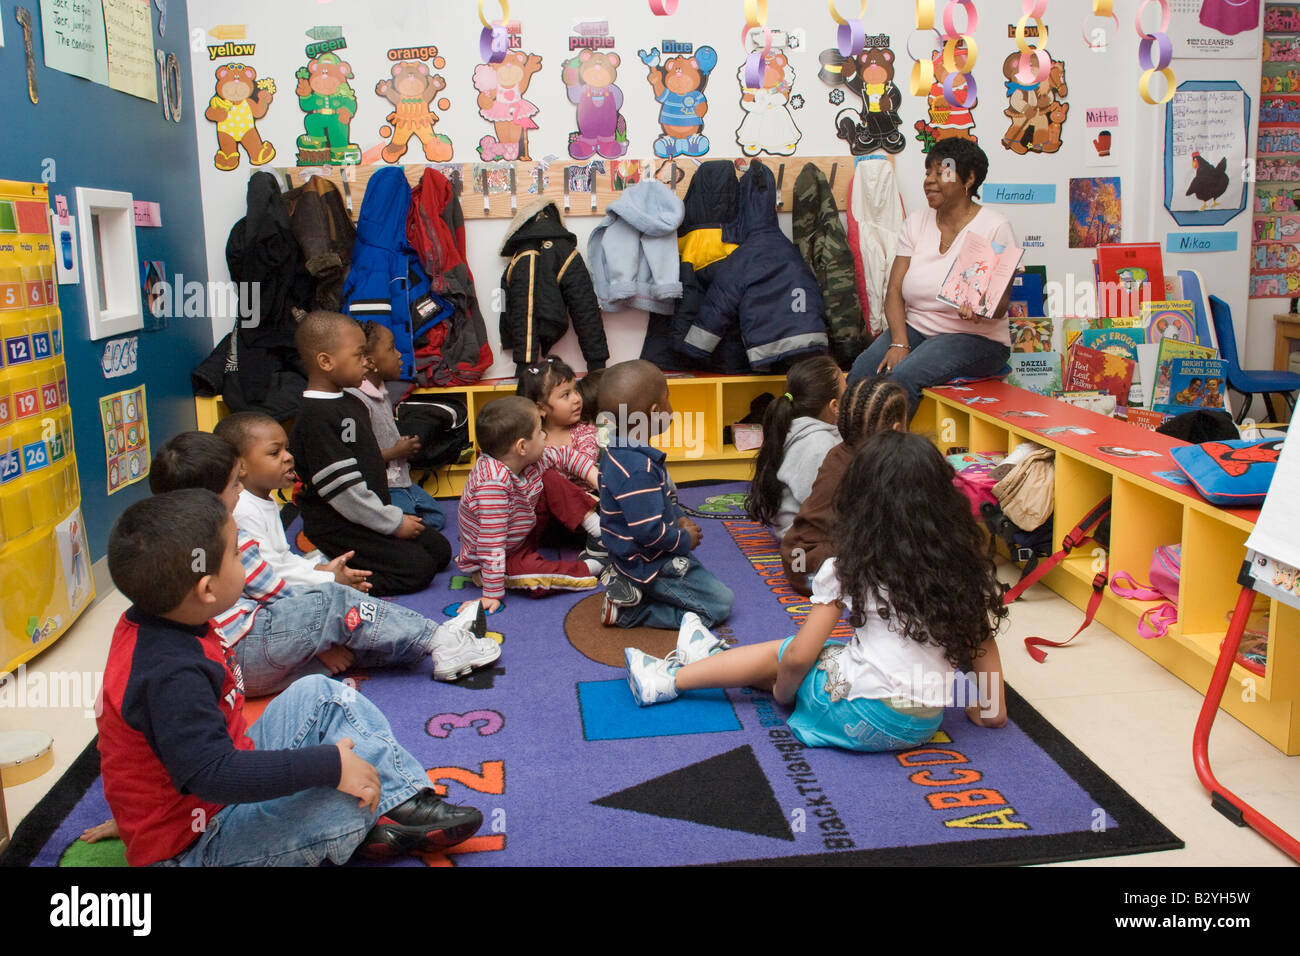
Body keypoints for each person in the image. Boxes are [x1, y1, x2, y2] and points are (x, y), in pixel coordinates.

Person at [97, 489, 483, 866]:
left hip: (219, 783)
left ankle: (403, 800)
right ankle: (362, 826)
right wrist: (329, 767)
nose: (246, 563)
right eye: (237, 553)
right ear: (207, 589)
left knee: (321, 694)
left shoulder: (171, 616)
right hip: (197, 844)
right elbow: (213, 774)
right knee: (342, 803)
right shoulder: (169, 673)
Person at [626, 430, 1008, 752]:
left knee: (787, 653)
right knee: (830, 657)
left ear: (862, 500)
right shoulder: (963, 565)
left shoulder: (850, 566)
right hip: (921, 726)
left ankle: (669, 680)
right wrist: (988, 709)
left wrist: (782, 694)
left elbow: (796, 658)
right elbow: (984, 649)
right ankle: (711, 658)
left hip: (856, 716)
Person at [150, 430, 499, 690]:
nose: (239, 492)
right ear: (209, 497)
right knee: (335, 604)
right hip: (249, 652)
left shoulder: (162, 540)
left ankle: (430, 644)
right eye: (233, 486)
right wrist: (324, 621)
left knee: (352, 625)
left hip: (230, 667)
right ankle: (439, 639)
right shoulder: (225, 536)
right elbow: (278, 593)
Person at [848, 138, 1017, 419]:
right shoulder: (916, 222)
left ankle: (889, 459)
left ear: (969, 178)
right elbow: (894, 292)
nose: (929, 181)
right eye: (928, 173)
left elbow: (999, 306)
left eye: (941, 173)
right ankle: (854, 452)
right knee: (860, 374)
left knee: (900, 379)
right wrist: (899, 343)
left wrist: (980, 307)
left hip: (974, 338)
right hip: (917, 330)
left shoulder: (994, 227)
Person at [290, 311, 452, 596]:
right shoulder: (315, 418)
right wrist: (393, 522)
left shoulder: (351, 401)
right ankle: (329, 576)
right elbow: (345, 492)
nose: (367, 362)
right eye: (359, 355)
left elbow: (362, 456)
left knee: (439, 550)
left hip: (367, 515)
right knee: (419, 570)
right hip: (340, 526)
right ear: (326, 362)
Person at [596, 360, 734, 629]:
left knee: (702, 582)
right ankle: (632, 612)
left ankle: (633, 585)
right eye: (667, 398)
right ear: (655, 411)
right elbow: (647, 532)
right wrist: (683, 539)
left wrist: (679, 517)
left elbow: (659, 501)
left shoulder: (621, 449)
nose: (672, 408)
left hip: (650, 550)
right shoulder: (638, 469)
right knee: (720, 604)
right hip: (648, 560)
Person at [457, 396, 604, 612]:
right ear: (522, 446)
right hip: (501, 555)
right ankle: (593, 567)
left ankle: (600, 530)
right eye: (539, 432)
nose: (545, 435)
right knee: (534, 574)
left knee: (551, 478)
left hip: (524, 528)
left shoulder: (530, 458)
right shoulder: (492, 485)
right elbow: (492, 542)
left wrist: (597, 479)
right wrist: (491, 593)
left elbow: (565, 456)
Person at [213, 411, 371, 593]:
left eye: (286, 449)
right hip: (265, 593)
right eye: (274, 452)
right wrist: (330, 577)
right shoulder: (243, 509)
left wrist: (321, 570)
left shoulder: (266, 498)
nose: (288, 457)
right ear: (240, 467)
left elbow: (283, 556)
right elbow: (272, 573)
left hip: (282, 575)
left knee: (329, 562)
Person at [780, 377, 908, 594]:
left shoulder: (840, 451)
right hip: (814, 570)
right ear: (896, 428)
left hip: (797, 559)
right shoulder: (872, 466)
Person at [348, 321, 445, 529]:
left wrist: (403, 447)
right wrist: (394, 451)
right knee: (412, 527)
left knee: (436, 519)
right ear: (370, 361)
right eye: (392, 349)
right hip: (380, 486)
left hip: (400, 479)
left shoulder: (382, 392)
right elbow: (357, 459)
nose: (399, 355)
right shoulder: (357, 399)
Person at [744, 354, 845, 540]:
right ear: (835, 405)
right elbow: (824, 505)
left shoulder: (794, 426)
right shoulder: (819, 445)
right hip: (807, 537)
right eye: (845, 388)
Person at [516, 355, 604, 555]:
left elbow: (585, 465)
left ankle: (600, 541)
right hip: (547, 519)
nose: (576, 398)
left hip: (587, 510)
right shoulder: (528, 436)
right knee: (545, 481)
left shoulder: (584, 430)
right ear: (540, 408)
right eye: (565, 395)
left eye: (575, 389)